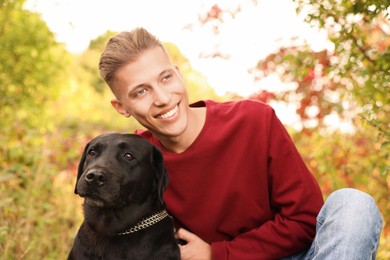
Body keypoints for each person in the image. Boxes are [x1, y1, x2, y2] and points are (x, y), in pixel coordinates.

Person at [98, 27, 383, 259]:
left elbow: (304, 221)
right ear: (121, 107)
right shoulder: (131, 162)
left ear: (178, 72)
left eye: (166, 77)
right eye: (141, 92)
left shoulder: (254, 121)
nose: (162, 97)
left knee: (353, 205)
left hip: (294, 256)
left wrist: (216, 253)